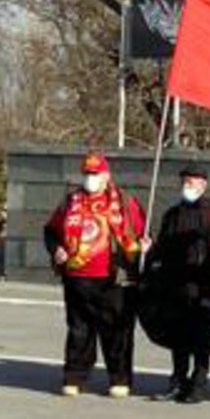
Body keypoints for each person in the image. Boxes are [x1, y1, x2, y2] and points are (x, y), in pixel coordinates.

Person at [43, 152, 146, 398]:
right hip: (77, 276)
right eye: (87, 173)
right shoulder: (71, 201)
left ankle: (119, 378)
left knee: (117, 330)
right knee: (79, 329)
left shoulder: (124, 202)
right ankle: (74, 377)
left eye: (95, 174)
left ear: (106, 175)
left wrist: (144, 245)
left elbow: (142, 233)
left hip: (115, 278)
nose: (90, 178)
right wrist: (56, 248)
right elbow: (51, 231)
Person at [144, 164, 210, 405]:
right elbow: (162, 248)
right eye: (184, 182)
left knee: (201, 339)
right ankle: (177, 381)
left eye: (191, 182)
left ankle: (198, 384)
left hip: (200, 287)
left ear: (203, 185)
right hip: (173, 285)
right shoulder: (172, 214)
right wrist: (149, 251)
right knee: (177, 338)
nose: (186, 187)